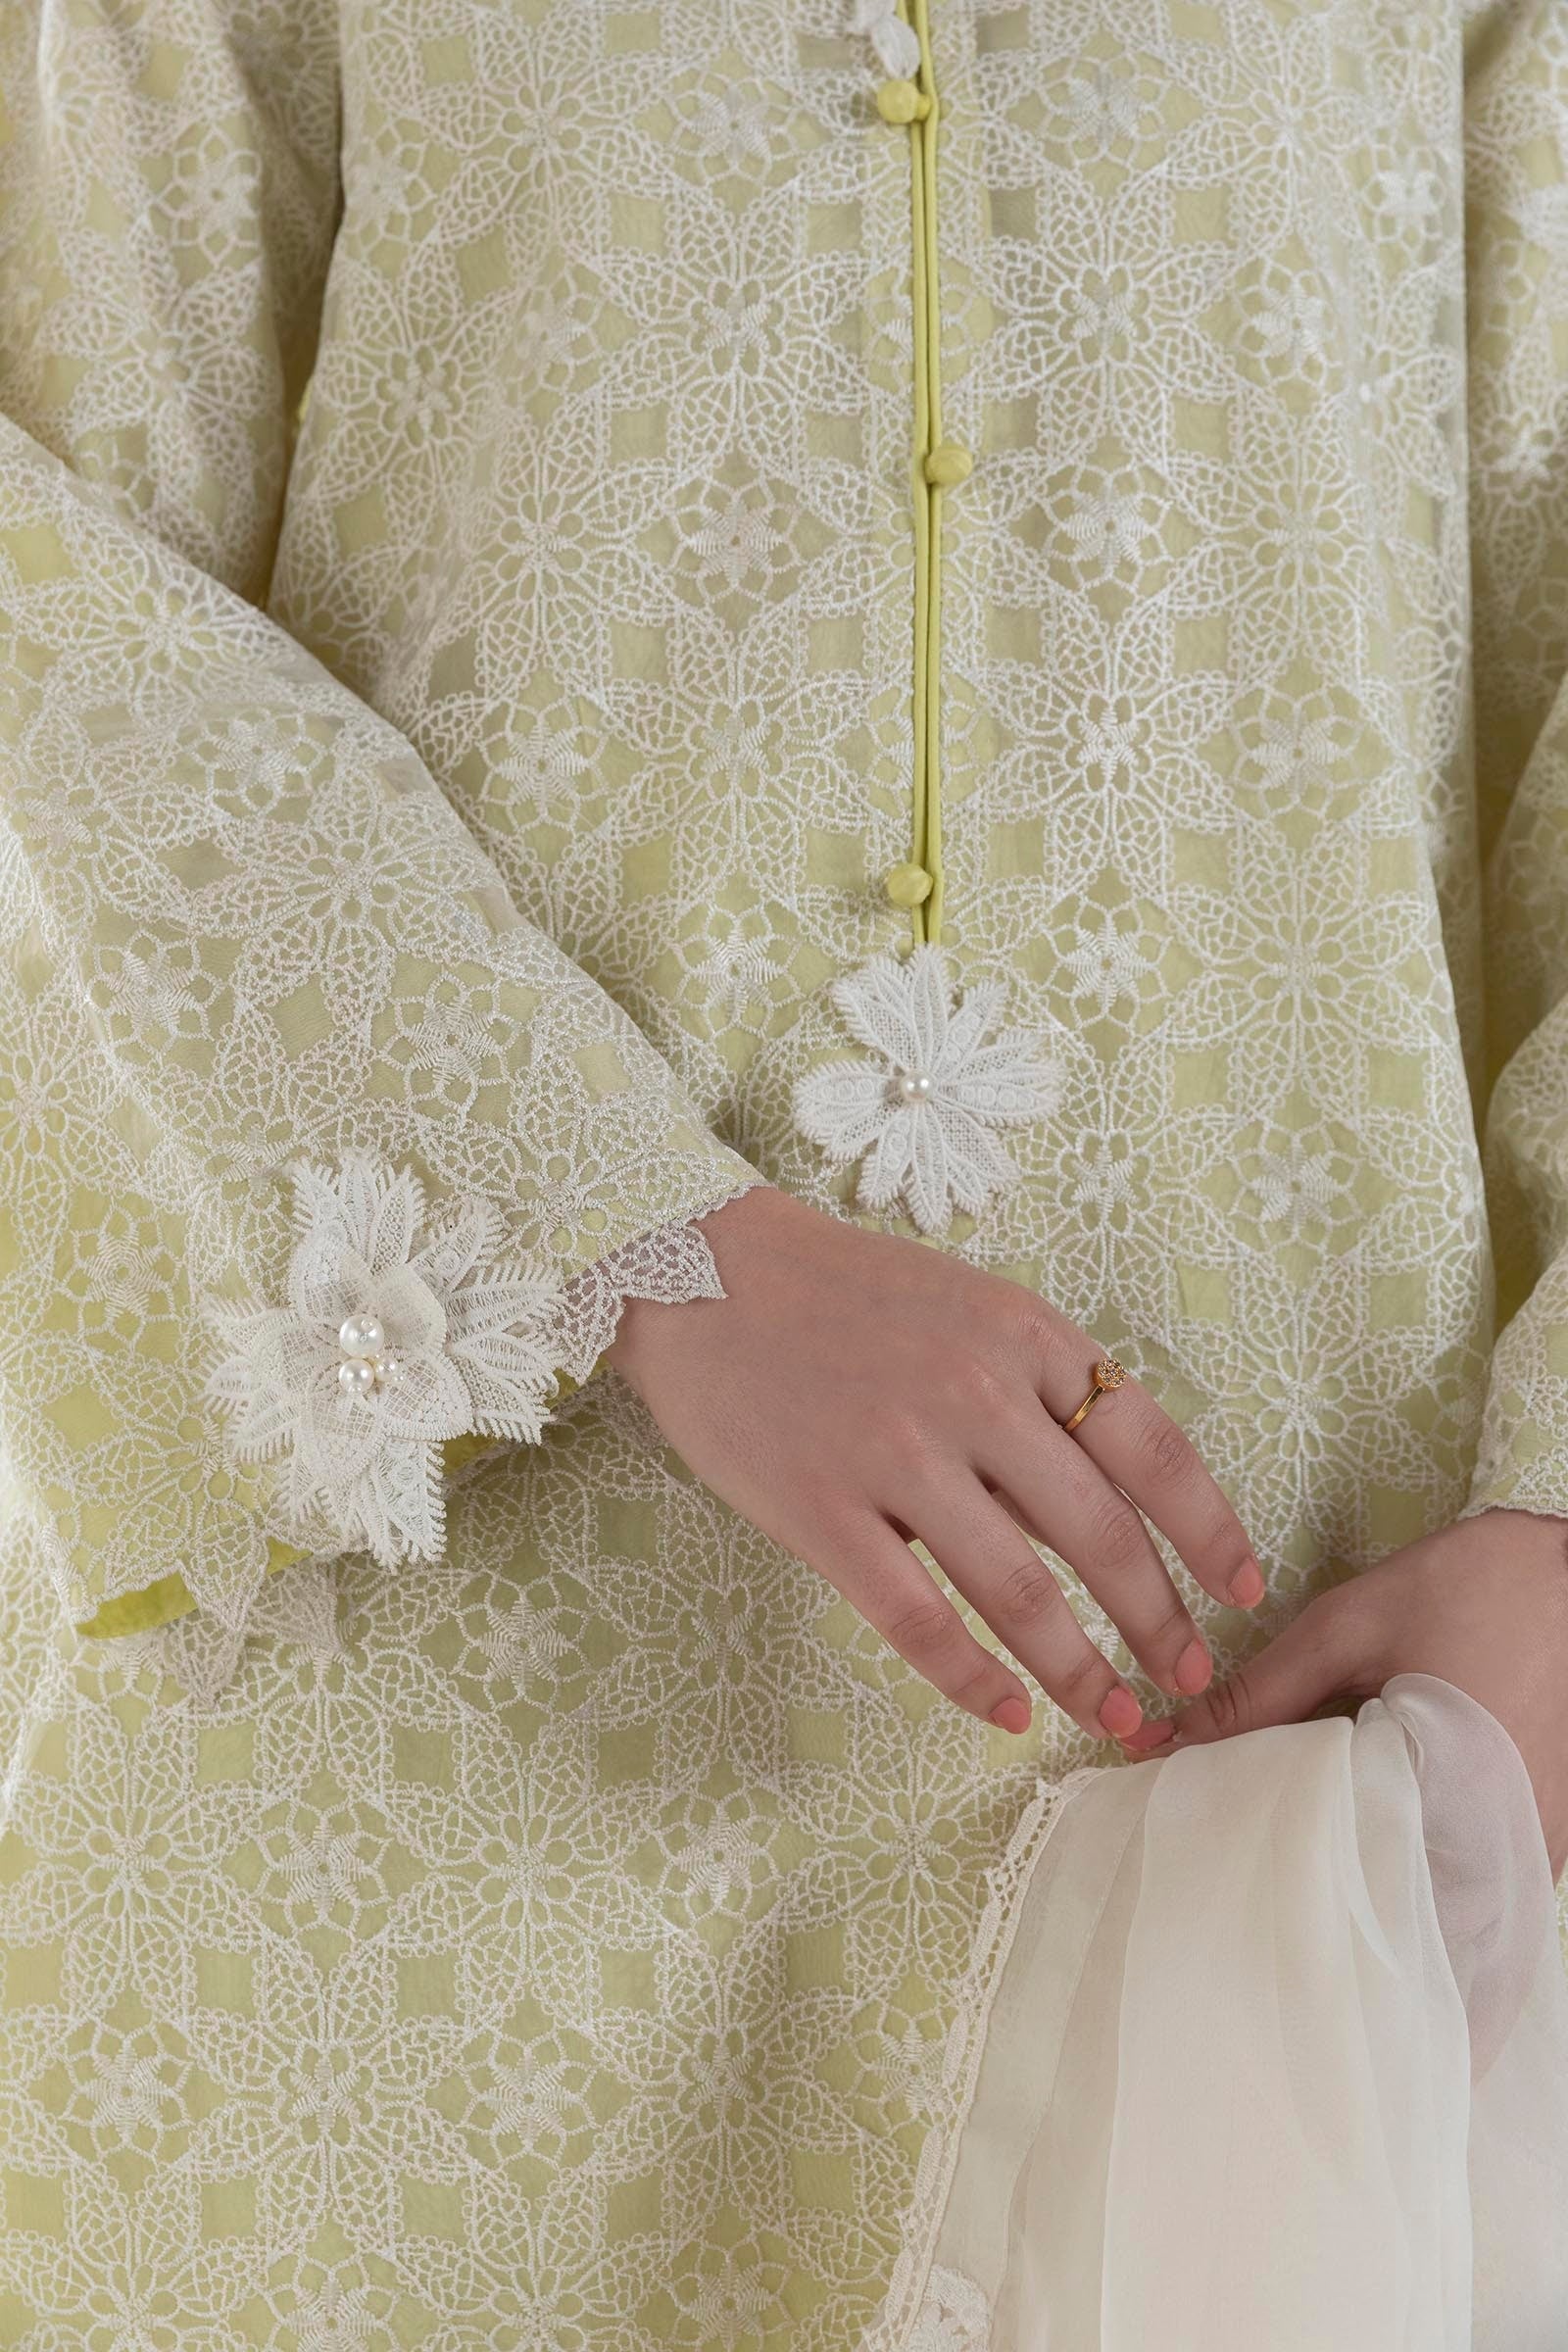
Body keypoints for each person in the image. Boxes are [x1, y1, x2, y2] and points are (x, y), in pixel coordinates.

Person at [0, 0, 1564, 2339]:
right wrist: (637, 1233)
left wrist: (1557, 1504)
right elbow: (51, 556)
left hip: (1248, 1657)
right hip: (437, 1688)